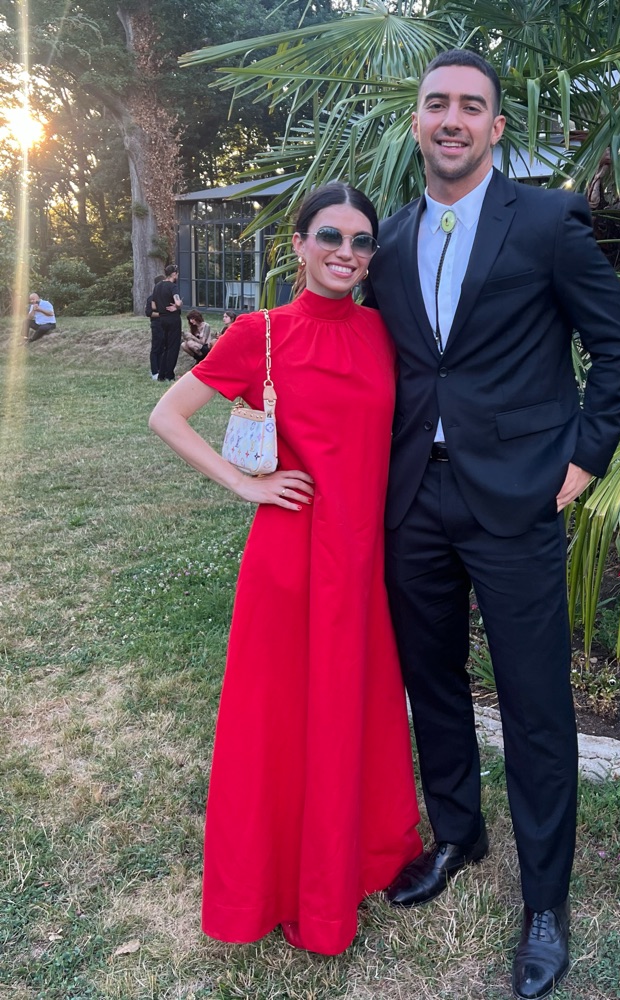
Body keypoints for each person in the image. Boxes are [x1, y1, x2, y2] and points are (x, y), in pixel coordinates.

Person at [364, 50, 620, 999]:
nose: (452, 119)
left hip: (519, 498)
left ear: (495, 127)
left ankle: (545, 904)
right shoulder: (388, 240)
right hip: (414, 499)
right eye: (436, 103)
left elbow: (618, 346)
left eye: (470, 106)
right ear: (417, 122)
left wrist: (584, 459)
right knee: (432, 681)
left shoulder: (549, 222)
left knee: (534, 702)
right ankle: (457, 835)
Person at [148, 181, 422, 956]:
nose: (346, 252)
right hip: (292, 557)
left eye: (361, 241)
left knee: (352, 708)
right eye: (330, 236)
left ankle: (354, 863)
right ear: (299, 245)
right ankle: (275, 884)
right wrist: (244, 485)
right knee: (281, 720)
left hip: (364, 558)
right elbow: (167, 416)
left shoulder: (384, 334)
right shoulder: (260, 332)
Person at [152, 264, 182, 381]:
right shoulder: (172, 286)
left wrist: (162, 307)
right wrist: (177, 306)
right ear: (174, 274)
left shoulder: (157, 286)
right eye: (177, 273)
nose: (178, 275)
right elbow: (178, 302)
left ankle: (161, 375)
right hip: (173, 319)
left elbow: (153, 305)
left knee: (165, 347)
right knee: (173, 347)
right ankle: (169, 375)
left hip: (162, 319)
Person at [146, 274, 165, 380]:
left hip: (165, 325)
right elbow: (148, 312)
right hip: (157, 325)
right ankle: (154, 371)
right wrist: (162, 314)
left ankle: (161, 369)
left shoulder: (166, 297)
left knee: (163, 348)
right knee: (156, 348)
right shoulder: (152, 298)